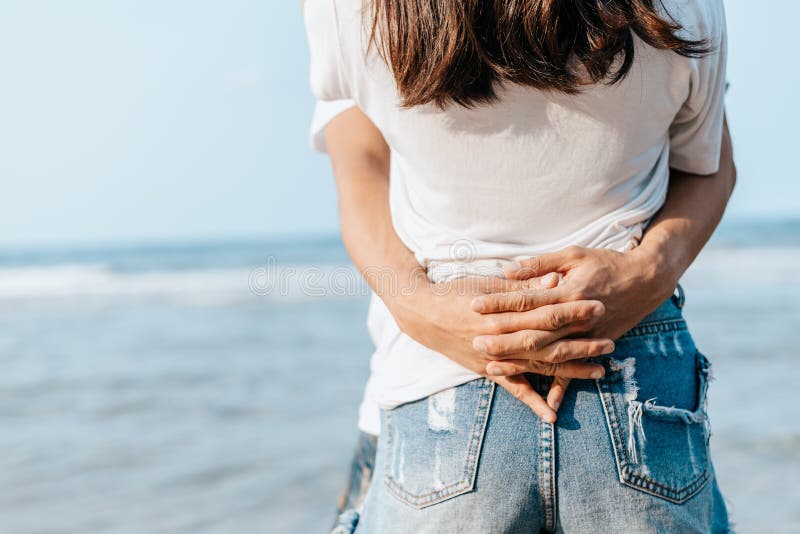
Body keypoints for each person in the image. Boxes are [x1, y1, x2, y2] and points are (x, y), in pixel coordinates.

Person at [304, 0, 735, 531]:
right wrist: (647, 271)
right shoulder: (681, 8)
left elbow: (361, 163)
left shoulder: (352, 10)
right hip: (634, 375)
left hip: (440, 385)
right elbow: (709, 164)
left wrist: (418, 303)